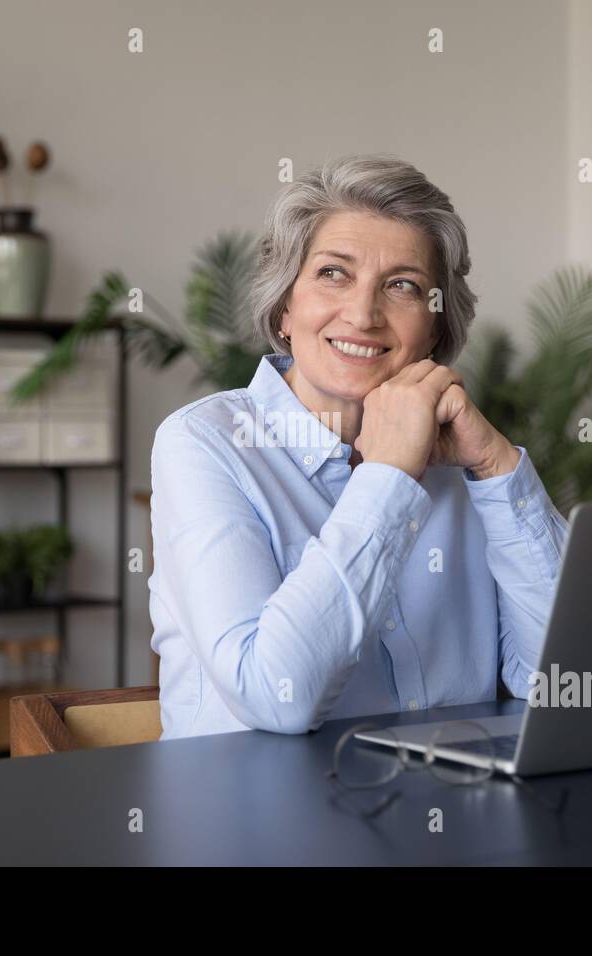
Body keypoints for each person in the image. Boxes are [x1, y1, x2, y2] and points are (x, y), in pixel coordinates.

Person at [148, 154, 568, 739]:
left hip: (449, 815)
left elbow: (564, 684)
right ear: (285, 307)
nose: (364, 314)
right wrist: (390, 478)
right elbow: (275, 697)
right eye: (333, 273)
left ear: (436, 330)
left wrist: (497, 467)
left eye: (403, 286)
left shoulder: (466, 465)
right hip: (256, 822)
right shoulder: (205, 444)